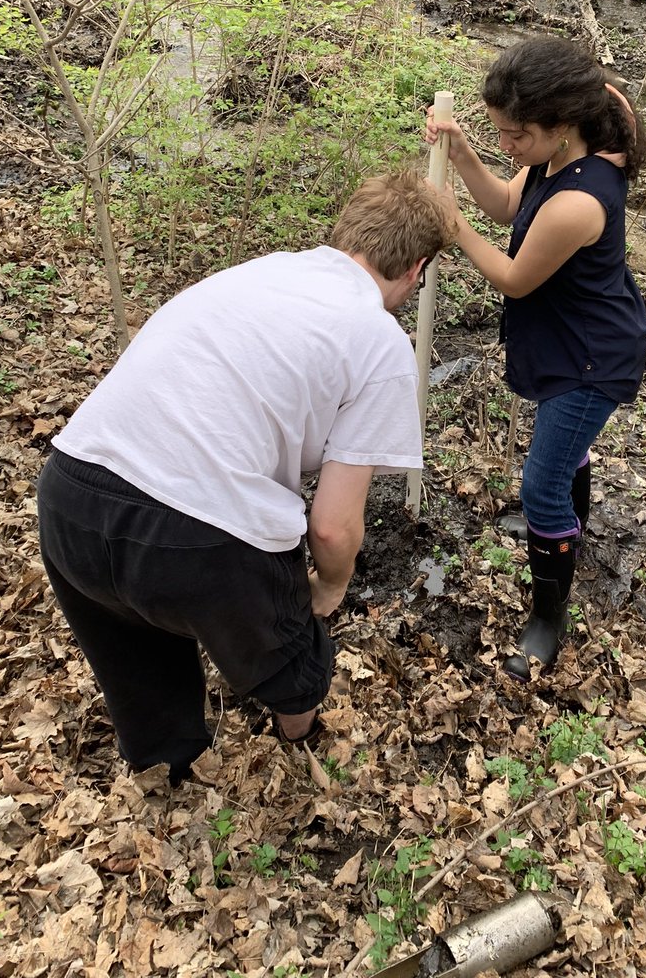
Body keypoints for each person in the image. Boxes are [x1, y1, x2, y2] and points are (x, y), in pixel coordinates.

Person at [36, 167, 456, 782]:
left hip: (70, 493)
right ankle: (299, 738)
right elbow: (334, 529)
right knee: (295, 661)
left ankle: (165, 771)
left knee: (133, 651)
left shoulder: (256, 273)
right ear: (416, 269)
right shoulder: (379, 340)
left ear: (344, 234)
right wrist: (329, 590)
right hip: (192, 537)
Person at [425, 36, 646, 680]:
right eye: (498, 132)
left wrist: (450, 222)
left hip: (589, 357)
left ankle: (547, 618)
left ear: (561, 126)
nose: (507, 146)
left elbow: (514, 277)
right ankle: (569, 532)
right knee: (567, 455)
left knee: (540, 486)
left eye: (514, 135)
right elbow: (502, 203)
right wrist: (465, 152)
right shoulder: (553, 160)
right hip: (567, 337)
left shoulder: (580, 201)